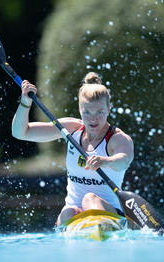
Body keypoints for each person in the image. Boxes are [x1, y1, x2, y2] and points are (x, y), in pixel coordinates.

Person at [12, 72, 134, 226]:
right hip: (74, 215)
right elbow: (20, 133)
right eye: (87, 112)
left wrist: (106, 161)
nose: (93, 119)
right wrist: (25, 102)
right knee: (67, 211)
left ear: (109, 109)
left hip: (110, 213)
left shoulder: (118, 138)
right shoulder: (70, 129)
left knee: (90, 198)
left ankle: (102, 228)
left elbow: (123, 160)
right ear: (79, 108)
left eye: (100, 112)